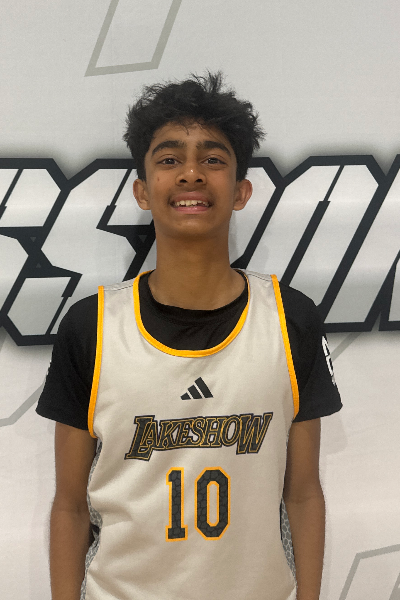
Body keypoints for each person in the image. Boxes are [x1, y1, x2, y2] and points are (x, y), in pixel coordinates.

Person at [37, 72, 342, 600]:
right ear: (142, 190)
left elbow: (303, 494)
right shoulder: (91, 326)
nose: (192, 173)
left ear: (242, 191)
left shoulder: (291, 318)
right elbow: (69, 505)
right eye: (169, 159)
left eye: (214, 159)